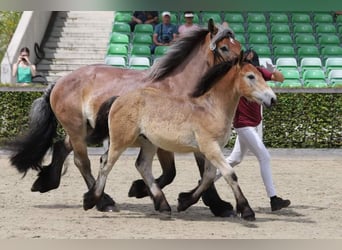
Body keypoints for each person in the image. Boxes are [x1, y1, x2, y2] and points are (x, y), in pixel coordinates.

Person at [214, 49, 291, 212]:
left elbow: (281, 79)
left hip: (255, 123)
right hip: (243, 124)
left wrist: (273, 71)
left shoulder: (257, 72)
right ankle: (273, 199)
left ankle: (206, 183)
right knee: (264, 156)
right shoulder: (240, 77)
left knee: (234, 159)